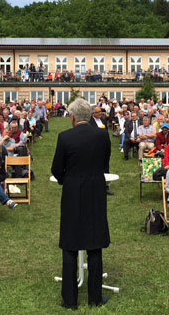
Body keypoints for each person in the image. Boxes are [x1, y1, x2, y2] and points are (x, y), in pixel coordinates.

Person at [51, 98, 111, 309]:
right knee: (95, 244)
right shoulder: (103, 136)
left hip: (72, 193)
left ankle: (70, 299)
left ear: (73, 117)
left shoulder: (65, 137)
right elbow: (105, 164)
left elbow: (57, 169)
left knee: (70, 244)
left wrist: (67, 179)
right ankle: (95, 297)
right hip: (95, 192)